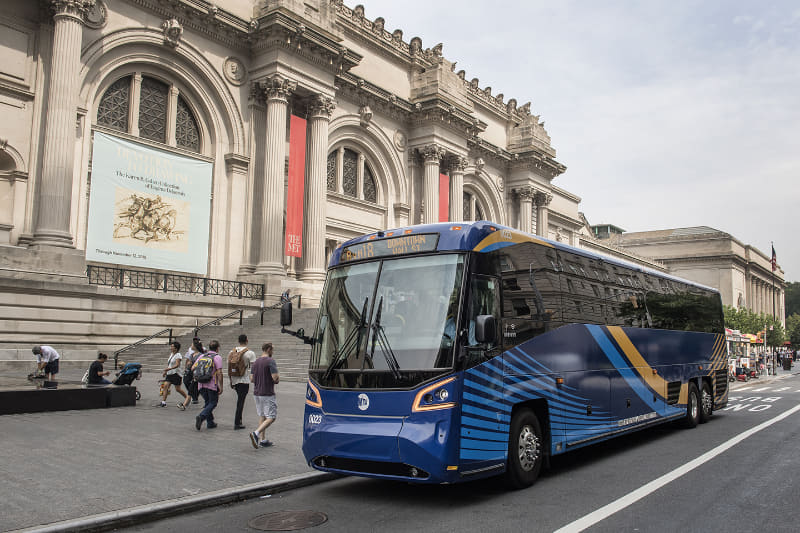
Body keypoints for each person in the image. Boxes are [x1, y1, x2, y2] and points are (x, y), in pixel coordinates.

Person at [249, 342, 280, 449]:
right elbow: (275, 378)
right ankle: (256, 433)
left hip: (257, 392)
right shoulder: (270, 361)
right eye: (272, 349)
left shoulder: (256, 362)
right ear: (268, 349)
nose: (273, 352)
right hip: (267, 393)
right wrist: (277, 379)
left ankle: (262, 440)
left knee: (262, 415)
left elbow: (251, 379)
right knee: (271, 417)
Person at [228, 334, 256, 430]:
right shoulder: (250, 353)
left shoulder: (232, 351)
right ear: (247, 340)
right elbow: (253, 368)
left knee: (240, 399)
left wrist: (230, 380)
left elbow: (229, 367)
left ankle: (239, 420)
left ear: (238, 341)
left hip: (234, 379)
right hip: (244, 379)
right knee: (241, 401)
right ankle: (237, 422)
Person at [194, 339, 223, 430]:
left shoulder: (202, 356)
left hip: (201, 383)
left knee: (207, 402)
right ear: (217, 348)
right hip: (211, 384)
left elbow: (193, 367)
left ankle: (210, 423)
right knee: (213, 402)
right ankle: (201, 416)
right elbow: (219, 372)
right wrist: (221, 386)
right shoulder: (217, 357)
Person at [159, 341, 187, 408]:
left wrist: (168, 369)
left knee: (178, 389)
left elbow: (177, 365)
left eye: (172, 346)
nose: (171, 347)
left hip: (176, 374)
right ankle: (163, 402)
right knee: (165, 386)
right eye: (171, 346)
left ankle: (187, 398)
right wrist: (166, 371)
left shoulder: (178, 355)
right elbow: (169, 364)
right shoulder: (171, 354)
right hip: (170, 373)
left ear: (176, 348)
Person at [179, 338, 203, 409]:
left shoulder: (200, 355)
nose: (191, 346)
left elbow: (199, 364)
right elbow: (188, 361)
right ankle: (195, 397)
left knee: (192, 389)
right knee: (186, 383)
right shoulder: (192, 354)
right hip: (190, 372)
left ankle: (184, 405)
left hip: (196, 374)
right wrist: (187, 367)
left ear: (195, 346)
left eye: (192, 344)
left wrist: (193, 365)